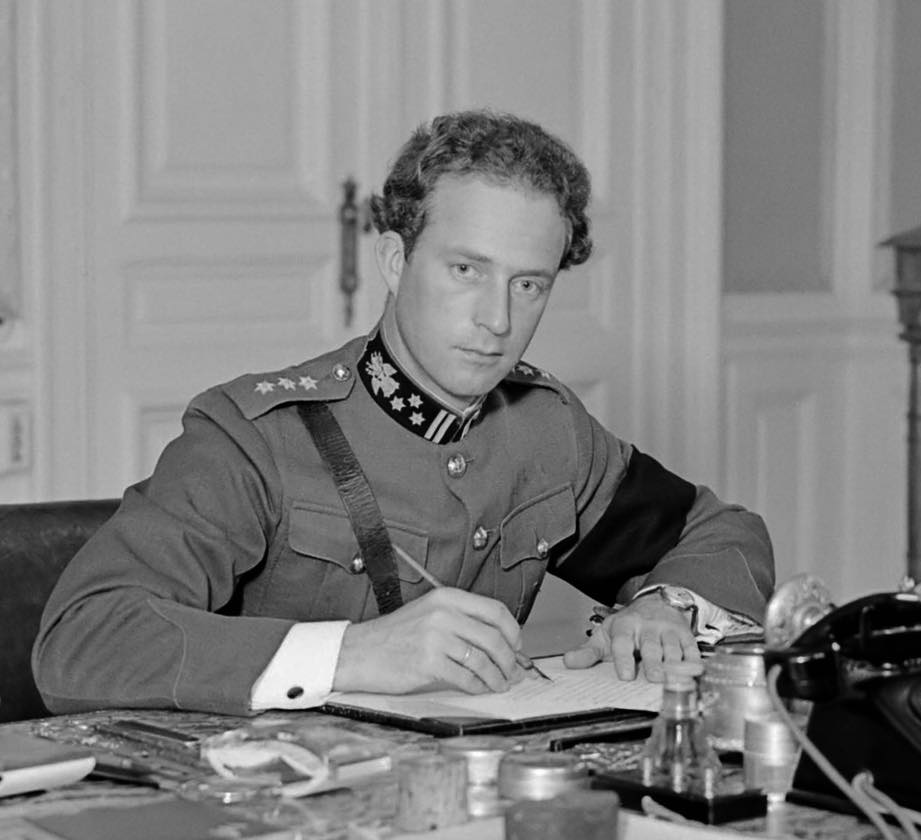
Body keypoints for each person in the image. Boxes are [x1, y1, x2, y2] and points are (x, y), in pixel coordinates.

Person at [33, 110, 774, 717]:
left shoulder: (544, 429)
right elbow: (81, 640)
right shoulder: (258, 437)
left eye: (528, 285)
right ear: (394, 261)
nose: (496, 319)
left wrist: (664, 609)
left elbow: (721, 532)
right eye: (466, 270)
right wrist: (354, 653)